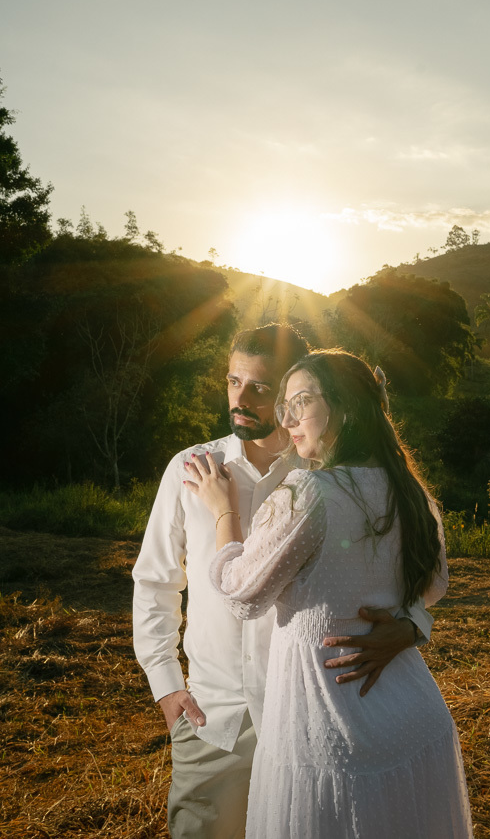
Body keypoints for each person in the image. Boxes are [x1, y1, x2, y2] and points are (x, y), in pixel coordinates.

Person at [133, 325, 428, 839]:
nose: (240, 400)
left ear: (298, 389)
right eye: (233, 381)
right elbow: (156, 581)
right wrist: (166, 688)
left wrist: (410, 625)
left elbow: (408, 566)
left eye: (261, 388)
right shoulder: (189, 468)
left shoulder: (328, 478)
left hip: (310, 720)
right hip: (213, 719)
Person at [185, 349, 472, 839]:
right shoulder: (411, 490)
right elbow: (435, 585)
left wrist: (221, 510)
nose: (289, 418)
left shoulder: (307, 492)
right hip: (413, 718)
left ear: (345, 408)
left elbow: (241, 595)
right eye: (285, 405)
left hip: (330, 732)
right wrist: (408, 626)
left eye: (301, 401)